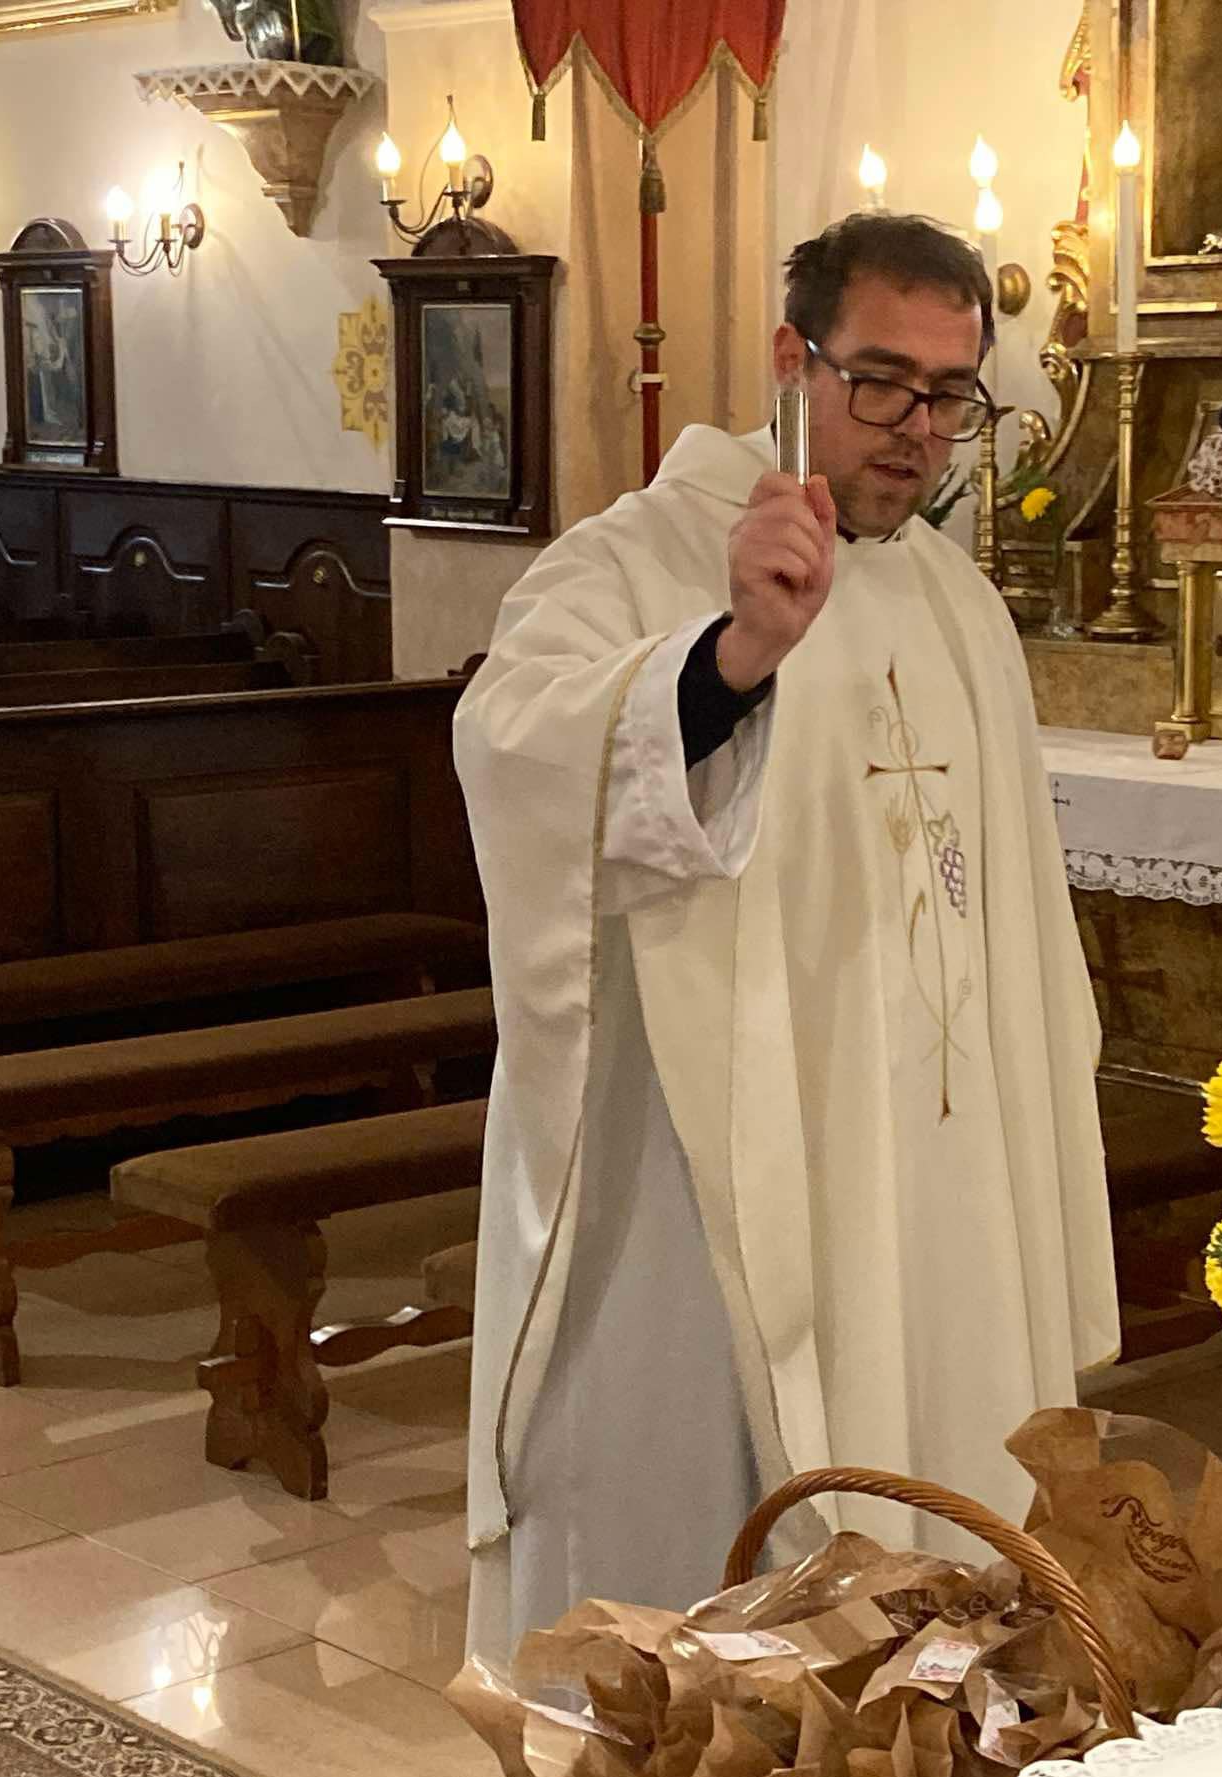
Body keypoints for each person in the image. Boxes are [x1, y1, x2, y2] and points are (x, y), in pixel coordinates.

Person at [454, 212, 1118, 1658]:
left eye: (950, 395)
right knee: (703, 1558)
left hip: (930, 1159)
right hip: (713, 1161)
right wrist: (733, 658)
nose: (917, 431)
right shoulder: (638, 557)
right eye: (880, 383)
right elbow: (509, 744)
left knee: (941, 1482)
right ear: (788, 358)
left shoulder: (957, 601)